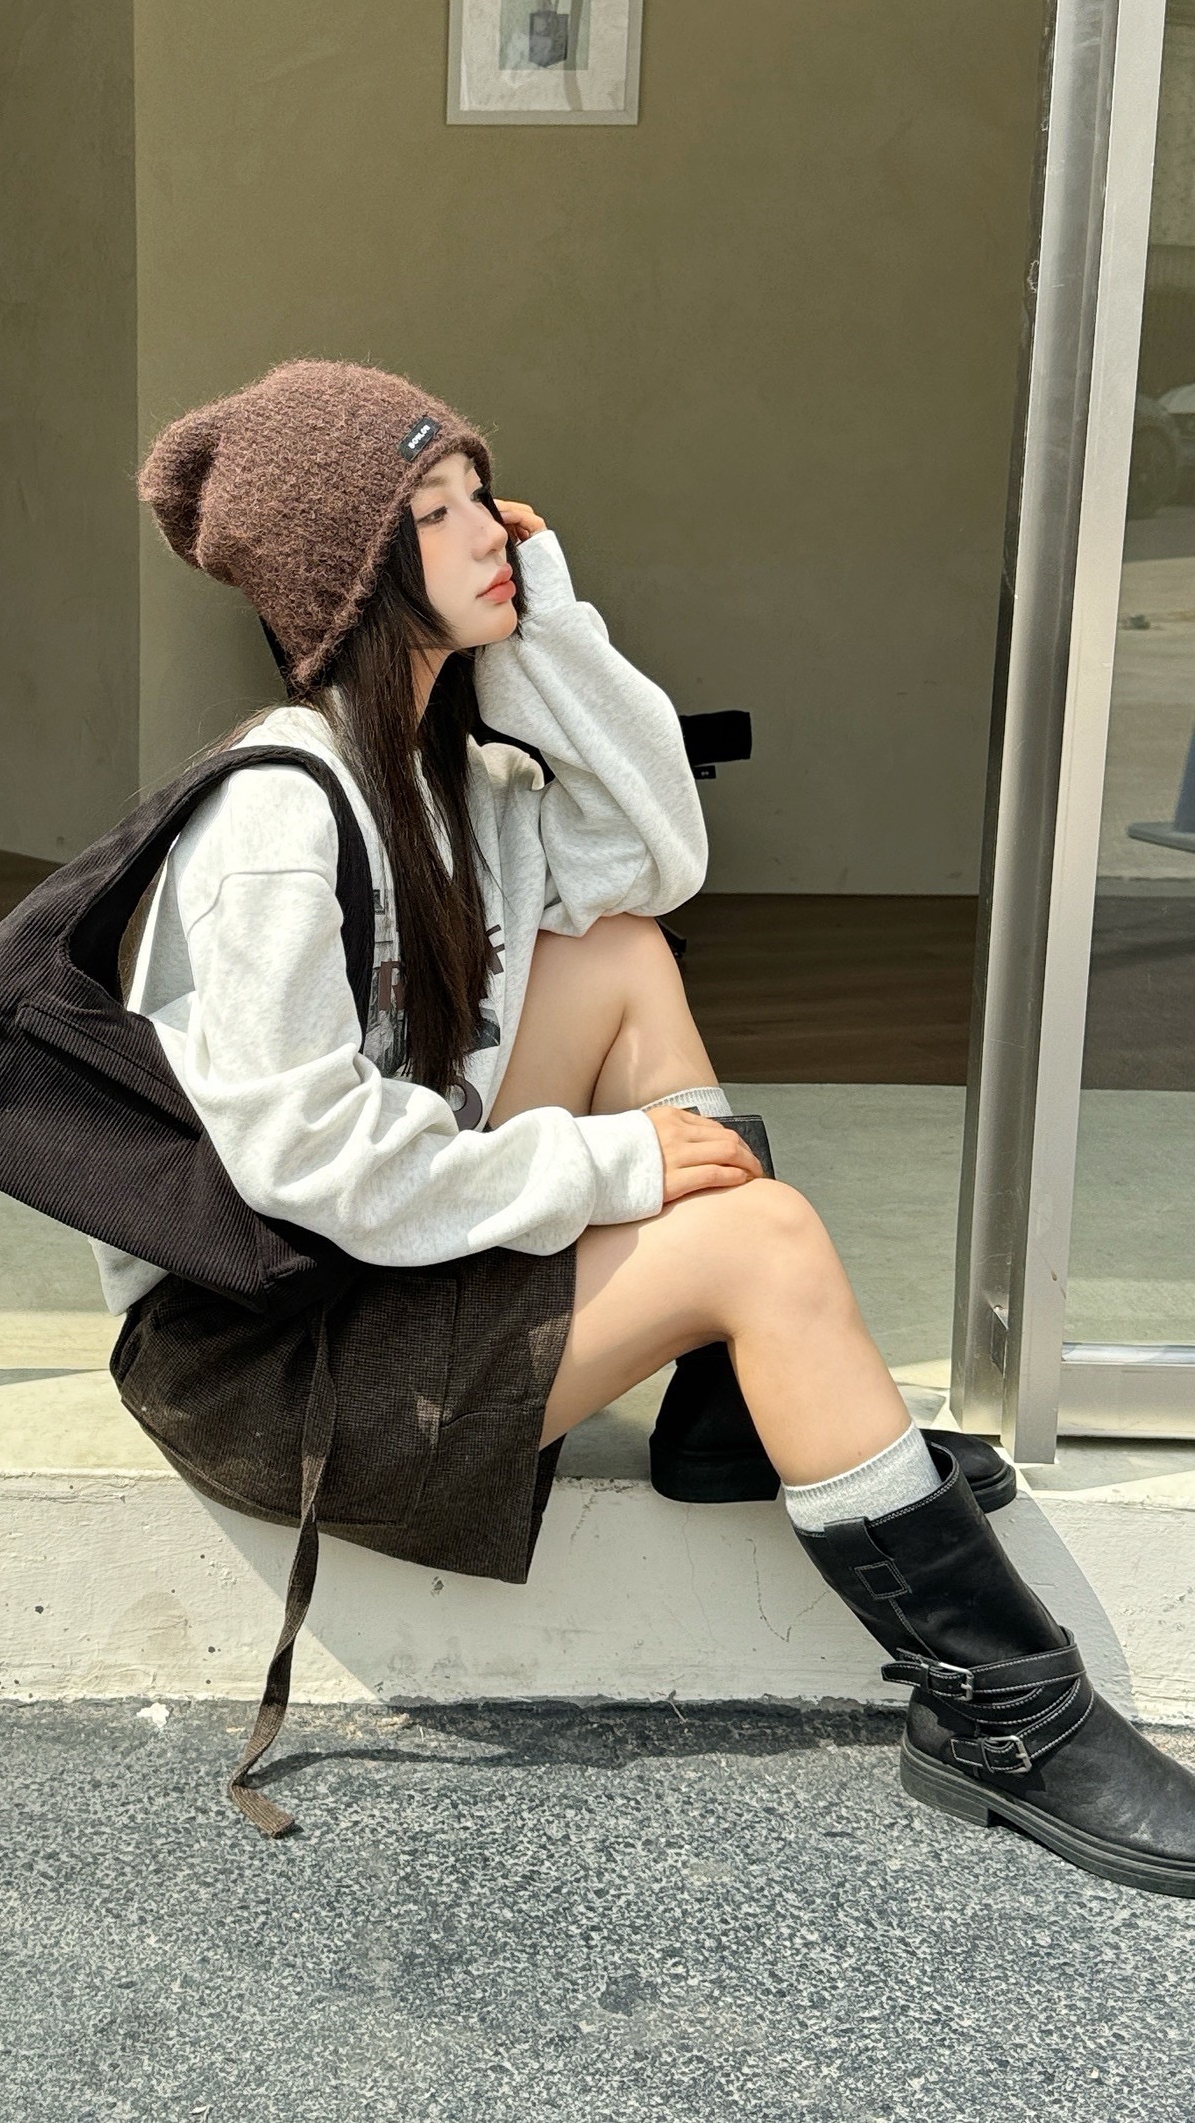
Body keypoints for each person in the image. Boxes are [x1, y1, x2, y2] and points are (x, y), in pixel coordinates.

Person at [103, 357, 1195, 1895]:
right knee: (760, 1242)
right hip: (277, 1367)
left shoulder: (447, 776)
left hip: (360, 1280)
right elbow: (305, 1164)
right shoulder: (276, 818)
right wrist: (611, 1165)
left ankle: (733, 1406)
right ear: (348, 578)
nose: (492, 528)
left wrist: (548, 617)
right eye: (437, 510)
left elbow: (654, 859)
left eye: (483, 493)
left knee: (617, 953)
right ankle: (1007, 1714)